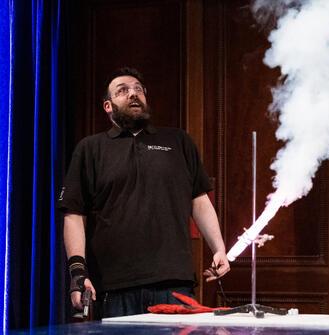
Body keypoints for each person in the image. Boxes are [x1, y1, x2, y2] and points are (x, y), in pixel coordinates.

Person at [59, 67, 230, 318]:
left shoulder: (178, 141)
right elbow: (74, 214)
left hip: (173, 282)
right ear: (108, 106)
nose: (133, 94)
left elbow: (199, 200)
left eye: (138, 89)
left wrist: (219, 248)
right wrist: (78, 273)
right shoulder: (90, 149)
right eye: (123, 90)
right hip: (114, 287)